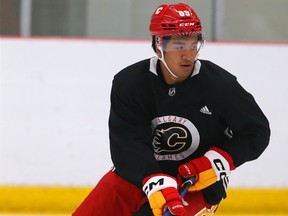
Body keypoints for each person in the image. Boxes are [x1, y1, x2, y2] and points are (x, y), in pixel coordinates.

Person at [72, 3, 270, 216]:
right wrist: (155, 181)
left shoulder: (220, 86)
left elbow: (256, 132)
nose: (188, 55)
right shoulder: (130, 83)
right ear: (158, 46)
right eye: (178, 46)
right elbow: (128, 144)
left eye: (194, 45)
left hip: (195, 185)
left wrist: (214, 162)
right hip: (139, 176)